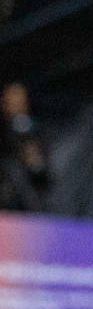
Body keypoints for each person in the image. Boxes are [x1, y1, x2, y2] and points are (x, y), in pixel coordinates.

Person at [1, 82, 48, 212]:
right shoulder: (4, 132)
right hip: (6, 204)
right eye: (10, 100)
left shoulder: (36, 131)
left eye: (19, 100)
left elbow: (42, 170)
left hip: (30, 205)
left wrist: (34, 160)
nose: (15, 105)